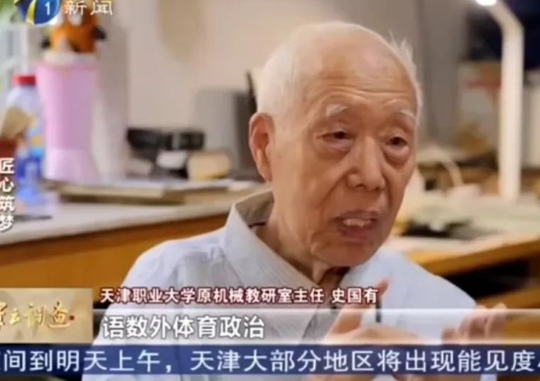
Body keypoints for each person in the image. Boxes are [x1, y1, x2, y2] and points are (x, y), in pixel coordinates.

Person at [86, 22, 505, 380]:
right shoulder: (171, 289)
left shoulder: (445, 317)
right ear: (265, 146)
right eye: (338, 135)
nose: (372, 176)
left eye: (396, 141)